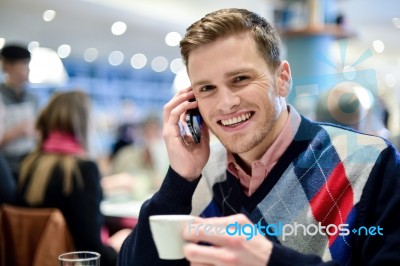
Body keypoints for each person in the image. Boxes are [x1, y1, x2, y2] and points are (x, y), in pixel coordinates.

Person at [117, 8, 400, 266]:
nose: (225, 103)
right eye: (206, 89)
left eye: (240, 79)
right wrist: (179, 178)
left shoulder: (371, 163)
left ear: (283, 78)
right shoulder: (198, 177)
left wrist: (269, 261)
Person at [15, 91, 130, 266]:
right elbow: (92, 252)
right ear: (84, 126)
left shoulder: (28, 163)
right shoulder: (81, 170)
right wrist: (118, 246)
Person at [0, 44, 38, 179]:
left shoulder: (33, 98)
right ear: (8, 66)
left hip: (30, 163)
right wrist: (17, 131)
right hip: (5, 167)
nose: (28, 69)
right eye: (24, 64)